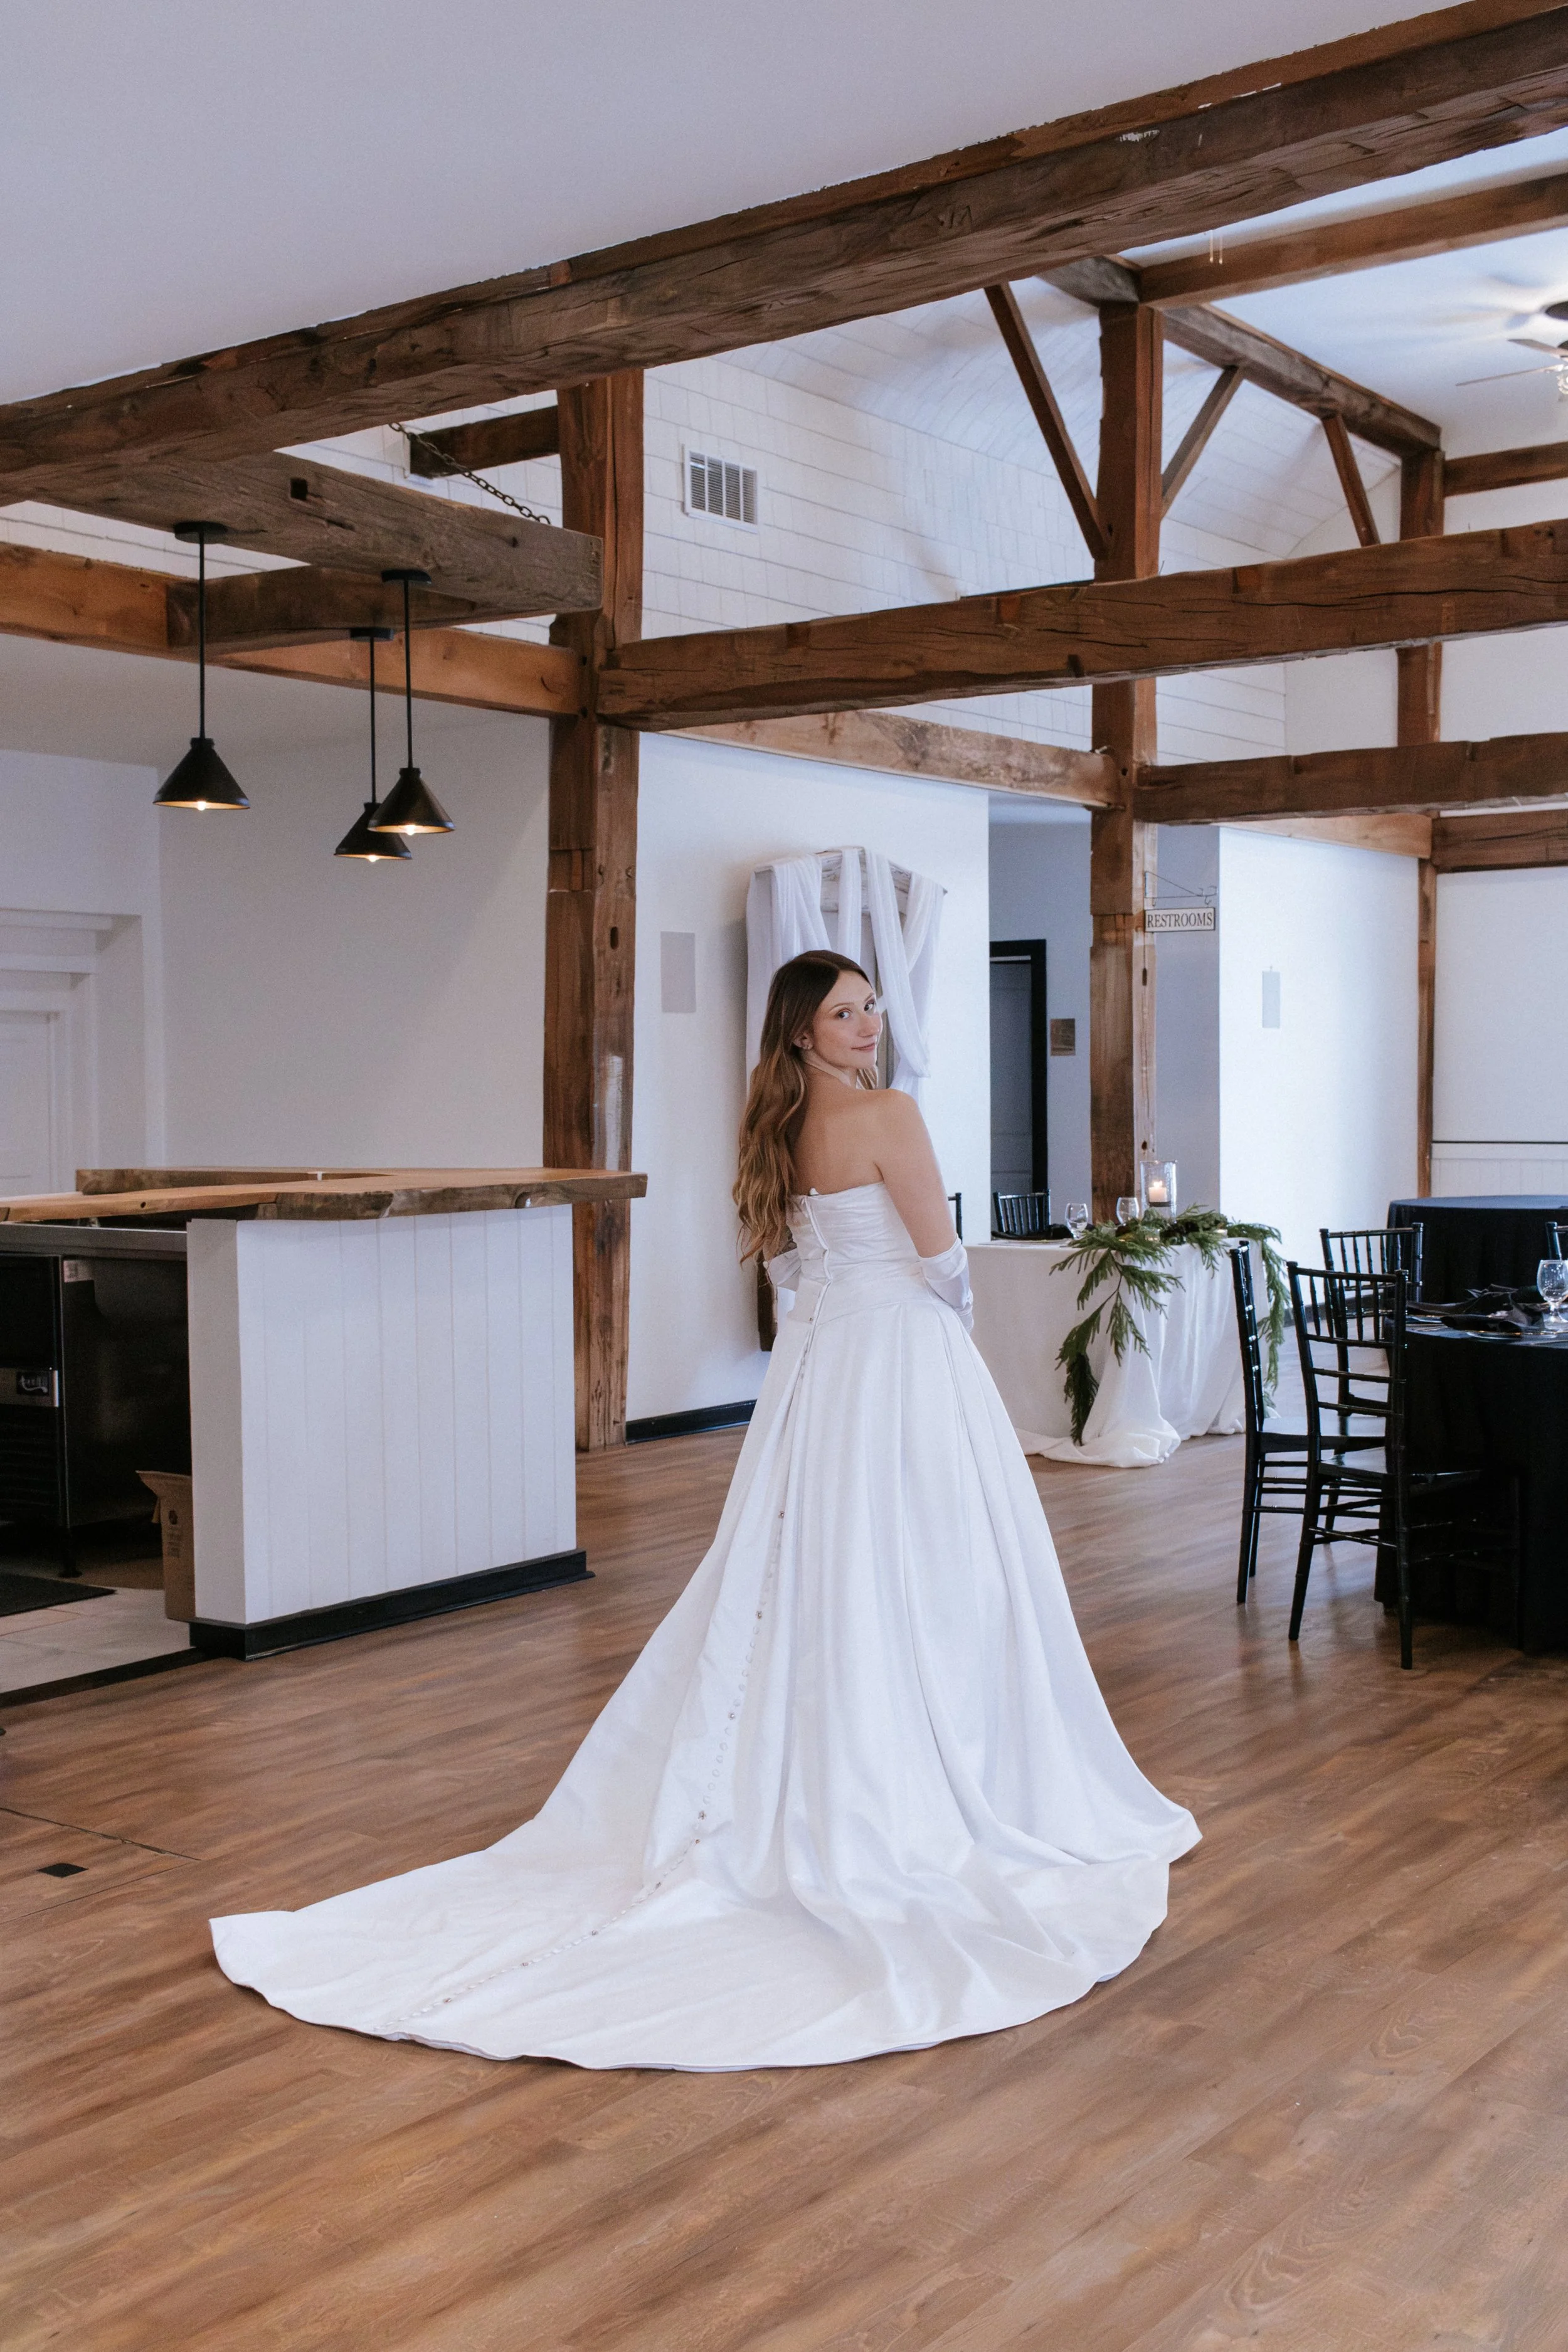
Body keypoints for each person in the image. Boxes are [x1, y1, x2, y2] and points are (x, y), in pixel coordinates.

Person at [212, 949, 1197, 2069]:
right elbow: (943, 1258)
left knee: (815, 1568)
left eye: (872, 1004)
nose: (868, 1022)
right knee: (930, 1568)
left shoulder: (774, 1132)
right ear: (801, 1032)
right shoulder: (891, 1116)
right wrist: (951, 1331)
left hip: (821, 1376)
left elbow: (791, 1271)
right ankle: (932, 1763)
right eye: (845, 1011)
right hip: (900, 1363)